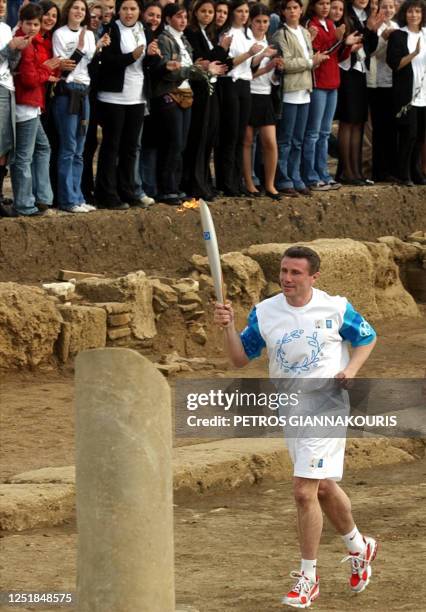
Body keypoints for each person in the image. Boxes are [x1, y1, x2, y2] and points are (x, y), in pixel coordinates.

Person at [214, 245, 378, 609]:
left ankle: (308, 578)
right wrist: (227, 328)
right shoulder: (265, 312)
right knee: (321, 488)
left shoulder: (335, 307)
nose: (287, 278)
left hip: (327, 404)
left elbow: (367, 338)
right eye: (284, 271)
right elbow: (240, 359)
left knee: (303, 491)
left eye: (296, 273)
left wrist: (350, 369)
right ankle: (359, 545)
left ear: (313, 277)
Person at [151, 3, 225, 205]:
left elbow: (189, 66)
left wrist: (198, 68)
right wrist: (196, 69)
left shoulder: (182, 39)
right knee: (173, 142)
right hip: (170, 94)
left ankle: (174, 186)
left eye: (184, 17)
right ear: (168, 19)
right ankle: (166, 189)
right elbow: (170, 71)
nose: (183, 21)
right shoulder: (165, 39)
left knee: (181, 143)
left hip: (186, 93)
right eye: (178, 17)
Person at [94, 0, 159, 209]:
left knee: (131, 148)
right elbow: (108, 62)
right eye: (125, 9)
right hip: (114, 97)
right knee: (111, 146)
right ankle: (107, 193)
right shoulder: (111, 29)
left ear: (139, 11)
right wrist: (132, 56)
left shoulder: (145, 30)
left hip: (137, 96)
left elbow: (148, 64)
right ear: (118, 11)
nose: (128, 13)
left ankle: (127, 190)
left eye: (133, 9)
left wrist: (151, 56)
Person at [273, 0, 329, 197]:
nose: (292, 11)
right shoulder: (281, 34)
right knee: (286, 139)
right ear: (283, 12)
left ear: (300, 10)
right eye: (288, 8)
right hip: (289, 91)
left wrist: (315, 60)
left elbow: (309, 61)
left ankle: (295, 176)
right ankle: (283, 178)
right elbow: (286, 63)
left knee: (298, 139)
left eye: (295, 7)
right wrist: (310, 61)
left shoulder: (305, 33)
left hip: (305, 90)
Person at [302, 0, 359, 191]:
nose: (326, 7)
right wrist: (338, 40)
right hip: (318, 83)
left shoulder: (331, 24)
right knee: (313, 133)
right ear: (314, 6)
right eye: (322, 3)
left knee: (325, 133)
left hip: (333, 83)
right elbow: (320, 53)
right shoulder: (312, 25)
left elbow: (338, 57)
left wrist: (346, 45)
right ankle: (310, 176)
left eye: (328, 3)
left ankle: (323, 173)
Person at [10, 3, 61, 216]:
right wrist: (45, 69)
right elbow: (30, 80)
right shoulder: (26, 44)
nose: (33, 27)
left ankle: (41, 198)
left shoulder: (30, 41)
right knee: (23, 156)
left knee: (42, 147)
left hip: (32, 105)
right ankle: (25, 203)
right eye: (29, 23)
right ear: (21, 23)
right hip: (26, 105)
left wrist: (43, 72)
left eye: (36, 24)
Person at [214, 0, 263, 197]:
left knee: (241, 134)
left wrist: (260, 56)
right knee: (230, 134)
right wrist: (249, 54)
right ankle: (226, 181)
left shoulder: (248, 34)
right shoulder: (227, 34)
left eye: (246, 12)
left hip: (245, 83)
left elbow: (251, 66)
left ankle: (237, 179)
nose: (243, 15)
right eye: (239, 11)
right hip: (230, 84)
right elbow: (226, 64)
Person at [52, 0, 97, 212]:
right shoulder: (59, 34)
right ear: (68, 10)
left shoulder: (89, 34)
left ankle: (78, 196)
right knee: (68, 148)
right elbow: (65, 69)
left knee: (80, 148)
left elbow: (89, 63)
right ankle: (66, 199)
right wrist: (78, 49)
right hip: (67, 93)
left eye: (82, 9)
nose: (79, 12)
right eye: (75, 8)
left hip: (84, 92)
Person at [183, 0, 229, 200]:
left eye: (211, 11)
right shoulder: (192, 33)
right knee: (199, 138)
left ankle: (205, 182)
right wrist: (221, 49)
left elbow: (215, 63)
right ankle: (195, 184)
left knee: (209, 137)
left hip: (212, 88)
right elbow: (204, 61)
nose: (208, 15)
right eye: (204, 11)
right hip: (199, 91)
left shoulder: (209, 34)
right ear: (196, 12)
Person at [335, 0, 382, 186]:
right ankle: (346, 171)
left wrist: (371, 30)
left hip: (361, 72)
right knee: (347, 122)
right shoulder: (346, 15)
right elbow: (344, 46)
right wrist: (365, 31)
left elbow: (369, 49)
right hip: (346, 72)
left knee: (358, 123)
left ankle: (356, 171)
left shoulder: (366, 16)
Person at [242, 2, 283, 200]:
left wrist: (277, 70)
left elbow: (274, 79)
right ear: (251, 22)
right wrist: (265, 64)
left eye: (265, 21)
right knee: (248, 140)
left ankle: (270, 183)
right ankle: (249, 182)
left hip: (266, 95)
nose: (262, 25)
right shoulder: (246, 42)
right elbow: (246, 72)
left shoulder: (271, 44)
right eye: (258, 21)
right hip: (248, 93)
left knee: (270, 142)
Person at [387, 0, 426, 186]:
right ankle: (403, 173)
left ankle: (416, 171)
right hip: (407, 94)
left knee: (420, 135)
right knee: (408, 134)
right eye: (411, 11)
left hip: (424, 92)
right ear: (405, 13)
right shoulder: (398, 36)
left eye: (418, 12)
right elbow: (394, 64)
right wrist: (414, 54)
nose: (414, 15)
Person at [366, 0, 398, 181]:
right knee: (378, 129)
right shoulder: (374, 25)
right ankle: (378, 171)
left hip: (393, 82)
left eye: (391, 7)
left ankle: (392, 169)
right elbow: (371, 53)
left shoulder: (397, 26)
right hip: (376, 83)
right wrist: (383, 39)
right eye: (384, 6)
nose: (388, 10)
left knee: (391, 129)